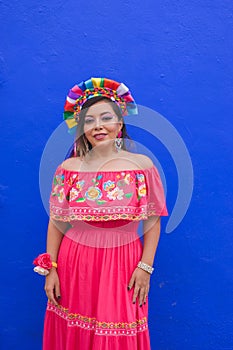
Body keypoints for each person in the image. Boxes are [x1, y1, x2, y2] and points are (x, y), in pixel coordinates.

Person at [34, 77, 168, 349]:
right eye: (89, 120)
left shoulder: (141, 166)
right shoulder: (68, 168)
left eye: (106, 118)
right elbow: (57, 222)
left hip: (123, 263)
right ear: (81, 128)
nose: (98, 126)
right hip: (76, 264)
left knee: (118, 329)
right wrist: (52, 270)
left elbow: (152, 220)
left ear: (119, 123)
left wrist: (145, 267)